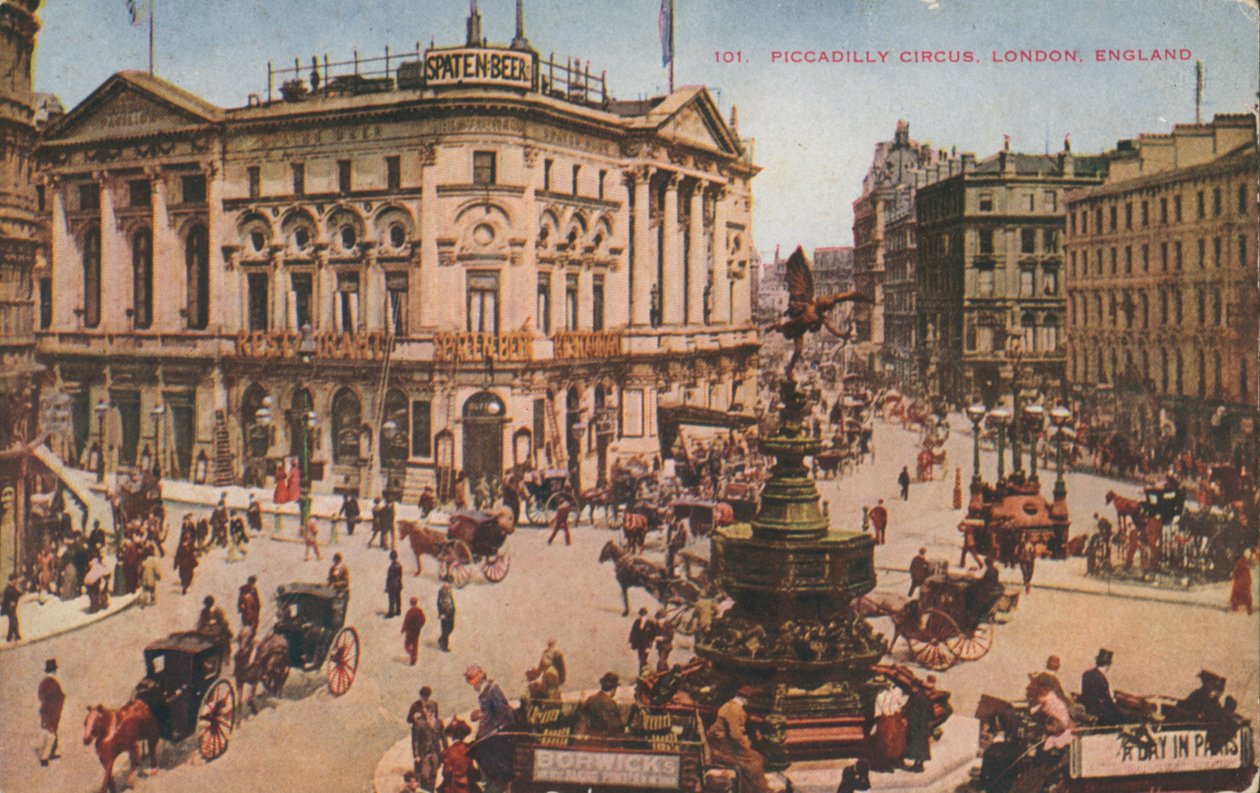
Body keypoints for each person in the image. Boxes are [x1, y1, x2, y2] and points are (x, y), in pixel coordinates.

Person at [465, 663, 515, 793]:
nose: (472, 685)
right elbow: (490, 712)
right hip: (489, 736)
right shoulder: (484, 691)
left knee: (494, 768)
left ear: (479, 679)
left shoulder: (492, 690)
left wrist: (493, 731)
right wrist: (480, 714)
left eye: (472, 681)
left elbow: (504, 714)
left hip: (495, 739)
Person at [706, 694, 771, 793]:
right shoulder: (734, 709)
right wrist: (746, 743)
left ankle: (752, 789)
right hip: (722, 745)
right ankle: (757, 790)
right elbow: (735, 735)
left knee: (755, 758)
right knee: (755, 760)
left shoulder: (732, 706)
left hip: (723, 743)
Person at [408, 686, 447, 790]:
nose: (425, 698)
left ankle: (429, 788)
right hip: (420, 734)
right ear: (421, 695)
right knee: (422, 770)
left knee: (433, 770)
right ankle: (420, 784)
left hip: (431, 737)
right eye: (423, 696)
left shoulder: (433, 704)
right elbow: (409, 719)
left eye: (427, 696)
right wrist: (414, 717)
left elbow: (438, 725)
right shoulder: (415, 705)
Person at [870, 682, 908, 771]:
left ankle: (897, 761)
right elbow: (879, 708)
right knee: (886, 742)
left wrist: (898, 710)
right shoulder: (881, 694)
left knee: (898, 742)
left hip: (895, 719)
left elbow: (900, 703)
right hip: (885, 719)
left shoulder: (898, 691)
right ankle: (887, 764)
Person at [1080, 648, 1122, 724]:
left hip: (1088, 708)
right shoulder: (1102, 678)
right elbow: (1106, 699)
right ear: (1108, 665)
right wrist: (1116, 706)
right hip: (1101, 712)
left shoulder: (1087, 674)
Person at [438, 718, 480, 793]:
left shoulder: (446, 752)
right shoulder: (467, 749)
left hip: (450, 789)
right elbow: (472, 771)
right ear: (463, 735)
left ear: (452, 736)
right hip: (466, 788)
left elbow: (445, 773)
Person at [38, 658, 65, 766]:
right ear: (53, 671)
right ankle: (44, 758)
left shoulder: (46, 682)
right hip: (50, 711)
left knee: (53, 732)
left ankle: (52, 752)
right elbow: (54, 697)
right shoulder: (51, 682)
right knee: (50, 734)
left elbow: (41, 695)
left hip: (50, 710)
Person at [580, 672, 624, 739]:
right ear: (613, 689)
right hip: (605, 741)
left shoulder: (590, 699)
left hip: (590, 739)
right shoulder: (611, 703)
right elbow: (613, 727)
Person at [903, 683, 933, 772]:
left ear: (918, 688)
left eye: (914, 687)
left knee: (920, 746)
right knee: (916, 746)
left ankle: (920, 765)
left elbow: (925, 713)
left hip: (920, 726)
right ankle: (917, 764)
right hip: (915, 726)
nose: (912, 689)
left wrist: (922, 723)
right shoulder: (915, 696)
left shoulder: (923, 698)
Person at [628, 607, 658, 671]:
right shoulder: (637, 621)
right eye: (641, 615)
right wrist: (631, 641)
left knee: (643, 659)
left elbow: (652, 636)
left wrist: (649, 646)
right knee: (640, 658)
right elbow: (633, 631)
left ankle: (641, 672)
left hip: (646, 644)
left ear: (646, 615)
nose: (642, 616)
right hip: (639, 644)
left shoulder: (650, 623)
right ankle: (644, 670)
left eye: (643, 615)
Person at [401, 596, 426, 665]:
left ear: (410, 603)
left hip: (410, 631)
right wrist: (420, 626)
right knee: (415, 644)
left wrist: (403, 629)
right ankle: (414, 658)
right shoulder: (419, 611)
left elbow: (406, 621)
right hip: (417, 631)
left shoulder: (410, 612)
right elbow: (423, 620)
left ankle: (412, 654)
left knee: (407, 645)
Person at [1230, 548, 1254, 614]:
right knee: (1240, 591)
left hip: (1243, 575)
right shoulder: (1242, 561)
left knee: (1241, 591)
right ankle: (1237, 606)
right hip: (1243, 575)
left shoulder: (1242, 561)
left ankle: (1240, 606)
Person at [3, 573, 22, 641]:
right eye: (15, 579)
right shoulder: (8, 589)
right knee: (13, 620)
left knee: (13, 620)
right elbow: (6, 599)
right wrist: (11, 603)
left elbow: (19, 593)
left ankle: (12, 636)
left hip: (11, 608)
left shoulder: (12, 588)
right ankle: (13, 636)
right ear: (12, 580)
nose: (16, 581)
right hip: (7, 608)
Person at [437, 582, 455, 651]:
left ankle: (441, 639)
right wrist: (441, 614)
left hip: (451, 612)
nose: (448, 589)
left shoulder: (449, 592)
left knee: (451, 627)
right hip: (445, 614)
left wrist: (453, 609)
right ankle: (444, 647)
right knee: (445, 630)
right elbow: (439, 605)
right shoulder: (441, 595)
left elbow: (451, 601)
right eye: (447, 588)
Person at [385, 550, 403, 618]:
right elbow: (400, 576)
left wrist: (387, 586)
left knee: (391, 599)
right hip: (398, 584)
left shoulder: (391, 567)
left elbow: (389, 577)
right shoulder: (399, 565)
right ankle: (398, 611)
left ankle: (391, 612)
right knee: (398, 598)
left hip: (392, 585)